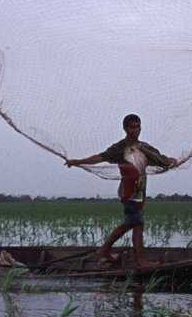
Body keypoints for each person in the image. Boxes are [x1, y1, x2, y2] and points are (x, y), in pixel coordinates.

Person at [65, 114, 178, 266]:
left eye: (137, 126)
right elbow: (100, 157)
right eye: (131, 127)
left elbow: (160, 159)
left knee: (137, 225)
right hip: (129, 193)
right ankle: (109, 250)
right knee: (133, 222)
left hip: (140, 194)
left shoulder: (144, 148)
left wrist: (171, 161)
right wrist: (77, 162)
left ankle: (131, 258)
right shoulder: (120, 147)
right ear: (125, 128)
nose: (135, 130)